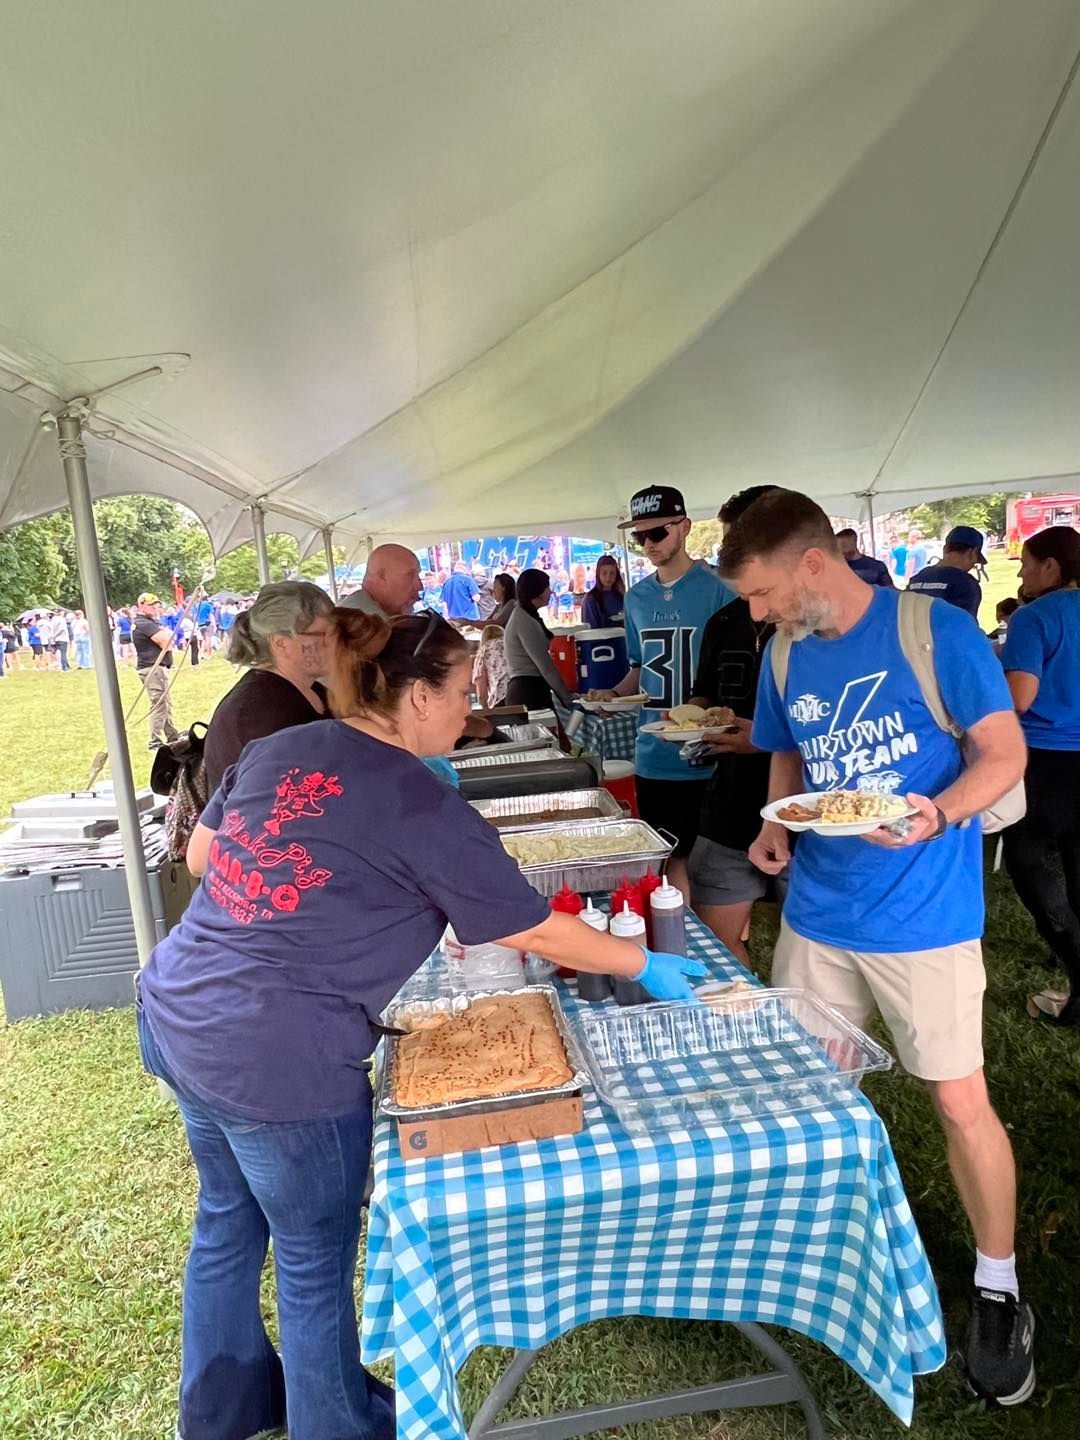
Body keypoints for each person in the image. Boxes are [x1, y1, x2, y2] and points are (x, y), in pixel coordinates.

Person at [135, 606, 704, 1440]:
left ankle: (221, 1413)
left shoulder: (280, 746)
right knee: (311, 1259)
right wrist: (644, 962)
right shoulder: (417, 799)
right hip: (280, 1060)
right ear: (415, 694)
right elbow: (532, 925)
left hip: (179, 1011)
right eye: (461, 689)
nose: (470, 709)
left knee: (226, 1217)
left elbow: (201, 857)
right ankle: (332, 1426)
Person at [718, 489, 1032, 1407]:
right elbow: (788, 751)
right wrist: (778, 825)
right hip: (817, 912)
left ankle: (998, 1287)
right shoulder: (785, 652)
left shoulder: (933, 633)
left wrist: (940, 812)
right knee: (808, 1091)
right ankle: (826, 1261)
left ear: (814, 564)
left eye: (766, 592)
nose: (757, 612)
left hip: (924, 918)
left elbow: (1005, 755)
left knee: (960, 1100)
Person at [597, 486, 734, 900]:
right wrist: (612, 695)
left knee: (713, 862)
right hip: (654, 750)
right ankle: (681, 935)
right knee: (667, 856)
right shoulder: (636, 597)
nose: (649, 544)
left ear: (685, 528)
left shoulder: (718, 589)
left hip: (708, 751)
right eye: (640, 537)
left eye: (657, 533)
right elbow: (638, 668)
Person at [686, 487, 782, 961]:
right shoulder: (724, 622)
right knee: (715, 949)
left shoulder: (824, 630)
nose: (727, 557)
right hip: (730, 805)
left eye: (735, 544)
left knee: (812, 956)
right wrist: (691, 719)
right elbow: (704, 692)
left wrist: (762, 739)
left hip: (807, 813)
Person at [1000, 527, 1080, 1025]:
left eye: (1027, 563)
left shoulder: (1034, 618)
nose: (1022, 573)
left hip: (1045, 761)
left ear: (1051, 566)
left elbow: (1018, 699)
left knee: (1028, 865)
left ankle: (1076, 967)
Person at [204, 581, 335, 796]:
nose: (336, 642)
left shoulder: (312, 688)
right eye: (323, 635)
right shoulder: (257, 713)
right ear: (281, 643)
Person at [503, 569, 572, 708]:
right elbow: (546, 667)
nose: (551, 592)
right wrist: (567, 698)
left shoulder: (526, 615)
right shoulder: (523, 619)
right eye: (547, 587)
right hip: (527, 692)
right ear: (538, 591)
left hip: (530, 688)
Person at [133, 593, 179, 751]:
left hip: (155, 668)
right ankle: (155, 740)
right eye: (151, 605)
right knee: (159, 704)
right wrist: (166, 633)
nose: (155, 608)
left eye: (156, 605)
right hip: (153, 669)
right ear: (141, 605)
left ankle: (172, 735)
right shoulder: (144, 623)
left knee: (164, 703)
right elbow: (167, 642)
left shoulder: (148, 623)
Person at [907, 526, 986, 618]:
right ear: (972, 553)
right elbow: (964, 626)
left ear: (945, 548)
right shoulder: (966, 584)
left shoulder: (917, 578)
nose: (973, 566)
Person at [339, 544, 423, 619]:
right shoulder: (360, 626)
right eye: (409, 575)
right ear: (381, 577)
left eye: (418, 575)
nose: (420, 586)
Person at [581, 556, 626, 628]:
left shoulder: (621, 595)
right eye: (604, 573)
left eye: (612, 573)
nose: (608, 578)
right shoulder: (591, 599)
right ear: (598, 574)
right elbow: (589, 628)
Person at [472, 623, 509, 709]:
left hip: (500, 696)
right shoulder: (509, 644)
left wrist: (485, 709)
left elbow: (481, 688)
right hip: (520, 685)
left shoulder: (483, 651)